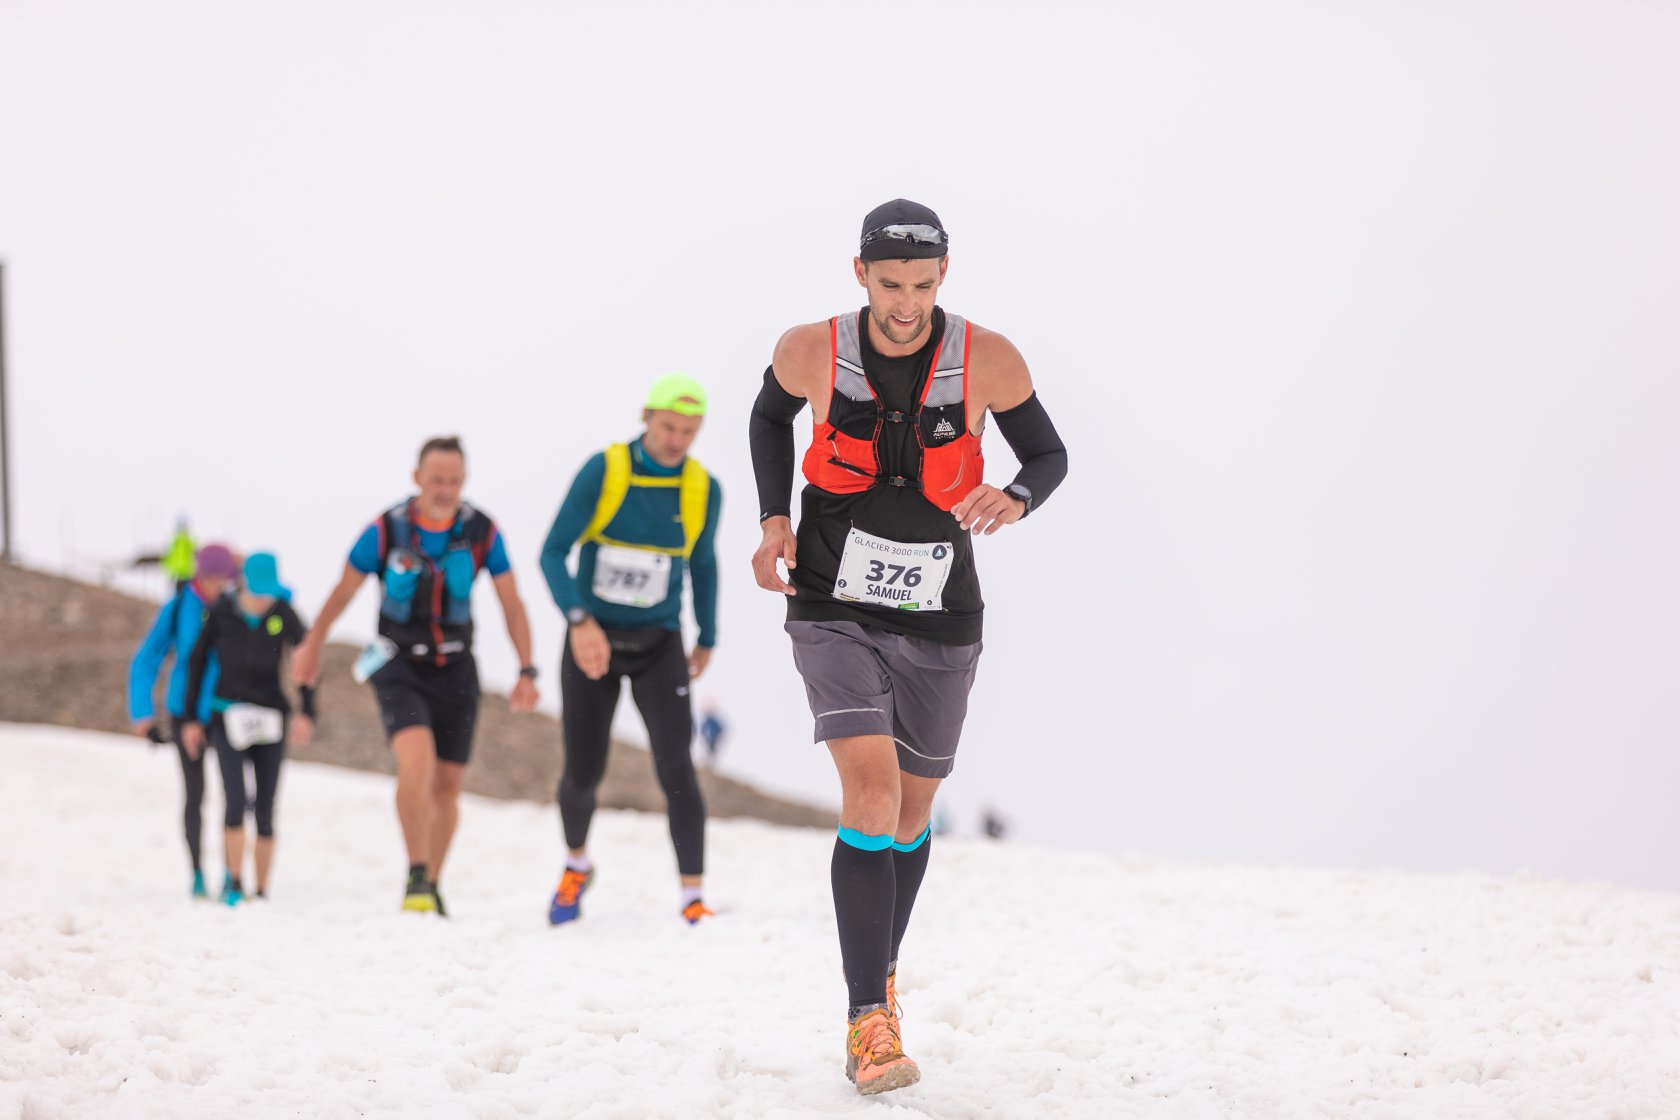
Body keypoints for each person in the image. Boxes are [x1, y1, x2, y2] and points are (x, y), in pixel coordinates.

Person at [748, 199, 1069, 1095]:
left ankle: (876, 976)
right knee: (872, 790)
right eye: (890, 285)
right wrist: (775, 519)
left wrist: (1014, 497)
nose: (905, 304)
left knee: (913, 815)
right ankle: (869, 1022)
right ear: (860, 273)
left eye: (922, 286)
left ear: (944, 275)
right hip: (829, 599)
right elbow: (768, 420)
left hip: (940, 613)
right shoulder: (811, 349)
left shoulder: (987, 358)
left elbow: (1048, 454)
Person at [291, 435, 540, 915]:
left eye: (454, 480)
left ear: (464, 481)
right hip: (397, 662)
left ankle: (431, 883)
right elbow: (344, 589)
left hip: (457, 667)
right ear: (417, 479)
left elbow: (512, 603)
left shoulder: (483, 531)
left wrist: (526, 668)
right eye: (436, 479)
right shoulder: (386, 530)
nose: (445, 489)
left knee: (448, 786)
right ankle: (416, 871)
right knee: (417, 760)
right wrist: (314, 641)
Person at [538, 373, 722, 927]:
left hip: (658, 645)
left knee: (677, 769)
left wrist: (707, 633)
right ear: (647, 417)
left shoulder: (701, 488)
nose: (676, 440)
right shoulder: (607, 470)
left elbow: (704, 564)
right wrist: (579, 620)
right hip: (592, 642)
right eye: (668, 427)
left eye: (689, 432)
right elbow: (552, 552)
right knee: (583, 771)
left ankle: (693, 896)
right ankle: (576, 864)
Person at [181, 553, 315, 906]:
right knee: (235, 799)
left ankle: (263, 889)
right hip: (227, 716)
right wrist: (193, 718)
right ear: (243, 583)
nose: (262, 600)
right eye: (257, 592)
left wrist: (307, 712)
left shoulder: (284, 613)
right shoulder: (222, 611)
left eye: (268, 593)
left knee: (267, 806)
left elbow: (306, 661)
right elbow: (196, 663)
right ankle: (235, 883)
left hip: (272, 718)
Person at [127, 542, 239, 899]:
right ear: (200, 575)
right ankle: (196, 873)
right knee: (196, 796)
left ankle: (230, 872)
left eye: (228, 579)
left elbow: (278, 595)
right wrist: (142, 713)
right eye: (216, 579)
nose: (221, 586)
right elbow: (147, 659)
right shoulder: (178, 609)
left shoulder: (235, 606)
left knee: (233, 795)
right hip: (184, 712)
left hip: (224, 712)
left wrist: (249, 562)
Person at [697, 703, 726, 770]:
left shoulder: (714, 721)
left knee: (712, 752)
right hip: (708, 739)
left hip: (713, 739)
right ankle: (707, 764)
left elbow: (720, 729)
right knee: (708, 751)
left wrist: (716, 736)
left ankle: (711, 765)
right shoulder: (707, 721)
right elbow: (703, 729)